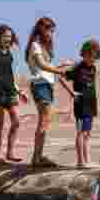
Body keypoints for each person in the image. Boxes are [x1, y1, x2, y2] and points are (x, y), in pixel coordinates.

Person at [25, 16, 73, 168]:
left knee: (45, 121)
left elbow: (47, 68)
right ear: (41, 29)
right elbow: (41, 65)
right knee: (44, 122)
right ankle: (36, 158)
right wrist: (60, 71)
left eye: (52, 31)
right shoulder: (35, 45)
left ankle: (38, 156)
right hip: (40, 85)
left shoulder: (43, 47)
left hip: (46, 85)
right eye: (49, 30)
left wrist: (60, 67)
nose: (51, 34)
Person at [0, 24, 29, 164]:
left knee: (16, 122)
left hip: (10, 91)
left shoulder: (9, 54)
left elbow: (10, 75)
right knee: (0, 124)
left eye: (10, 36)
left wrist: (19, 91)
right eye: (5, 36)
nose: (8, 39)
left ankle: (10, 153)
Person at [64, 39, 100, 168]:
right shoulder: (77, 67)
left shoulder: (93, 68)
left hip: (91, 104)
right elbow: (61, 77)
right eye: (90, 56)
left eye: (95, 56)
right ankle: (80, 161)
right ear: (84, 53)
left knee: (87, 133)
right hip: (80, 104)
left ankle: (87, 160)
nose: (92, 59)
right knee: (80, 132)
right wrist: (71, 92)